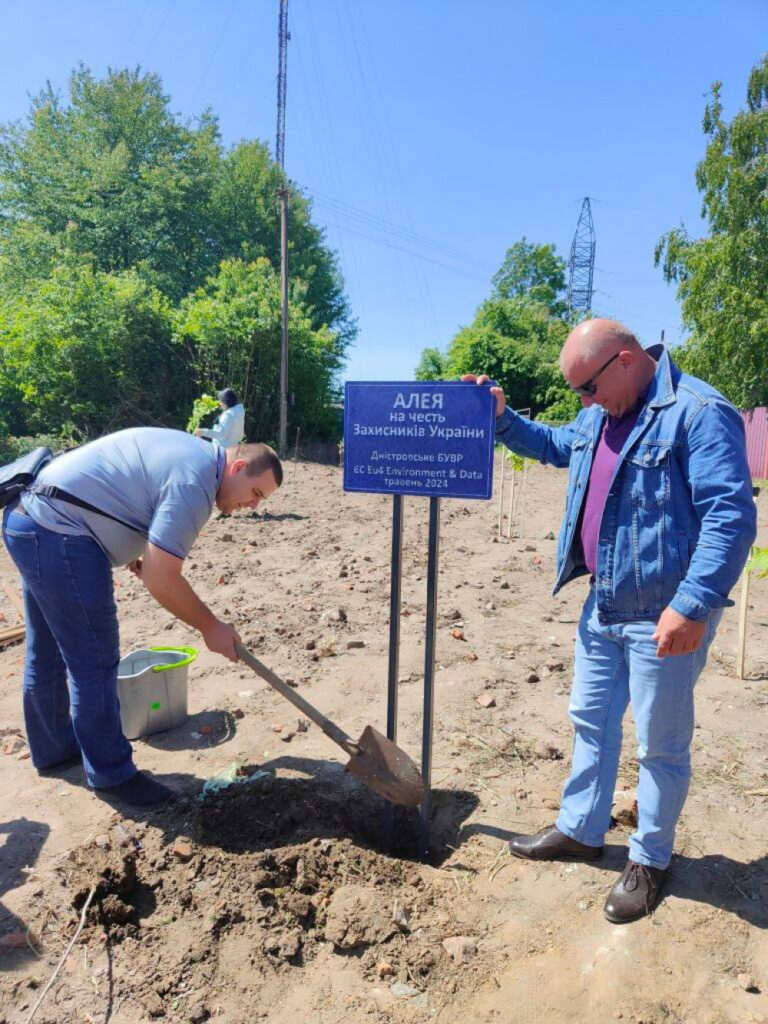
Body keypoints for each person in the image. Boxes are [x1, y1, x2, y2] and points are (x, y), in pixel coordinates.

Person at [465, 318, 756, 923]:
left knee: (660, 745)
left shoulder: (698, 413)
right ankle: (581, 829)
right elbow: (555, 446)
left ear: (625, 359)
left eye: (588, 388)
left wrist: (692, 604)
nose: (584, 402)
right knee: (591, 721)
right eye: (579, 393)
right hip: (603, 603)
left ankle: (650, 859)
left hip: (664, 616)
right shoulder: (602, 412)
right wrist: (501, 417)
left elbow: (730, 518)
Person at [2, 428, 282, 808]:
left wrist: (132, 549)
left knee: (47, 648)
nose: (253, 506)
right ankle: (112, 774)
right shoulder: (195, 482)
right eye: (255, 494)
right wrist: (210, 627)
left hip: (30, 521)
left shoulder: (192, 454)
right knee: (95, 661)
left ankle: (55, 751)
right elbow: (161, 578)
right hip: (59, 533)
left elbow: (126, 490)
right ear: (237, 466)